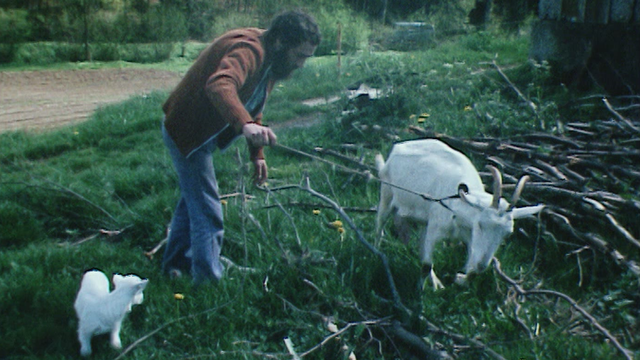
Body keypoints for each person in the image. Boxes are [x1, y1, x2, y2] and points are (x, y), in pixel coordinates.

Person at [161, 10, 321, 285]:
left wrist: (256, 154)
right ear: (282, 42)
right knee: (208, 211)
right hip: (186, 131)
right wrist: (245, 125)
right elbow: (220, 84)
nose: (301, 64)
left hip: (198, 134)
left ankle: (175, 266)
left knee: (192, 203)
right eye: (300, 56)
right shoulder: (250, 50)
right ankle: (208, 282)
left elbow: (252, 104)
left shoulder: (271, 59)